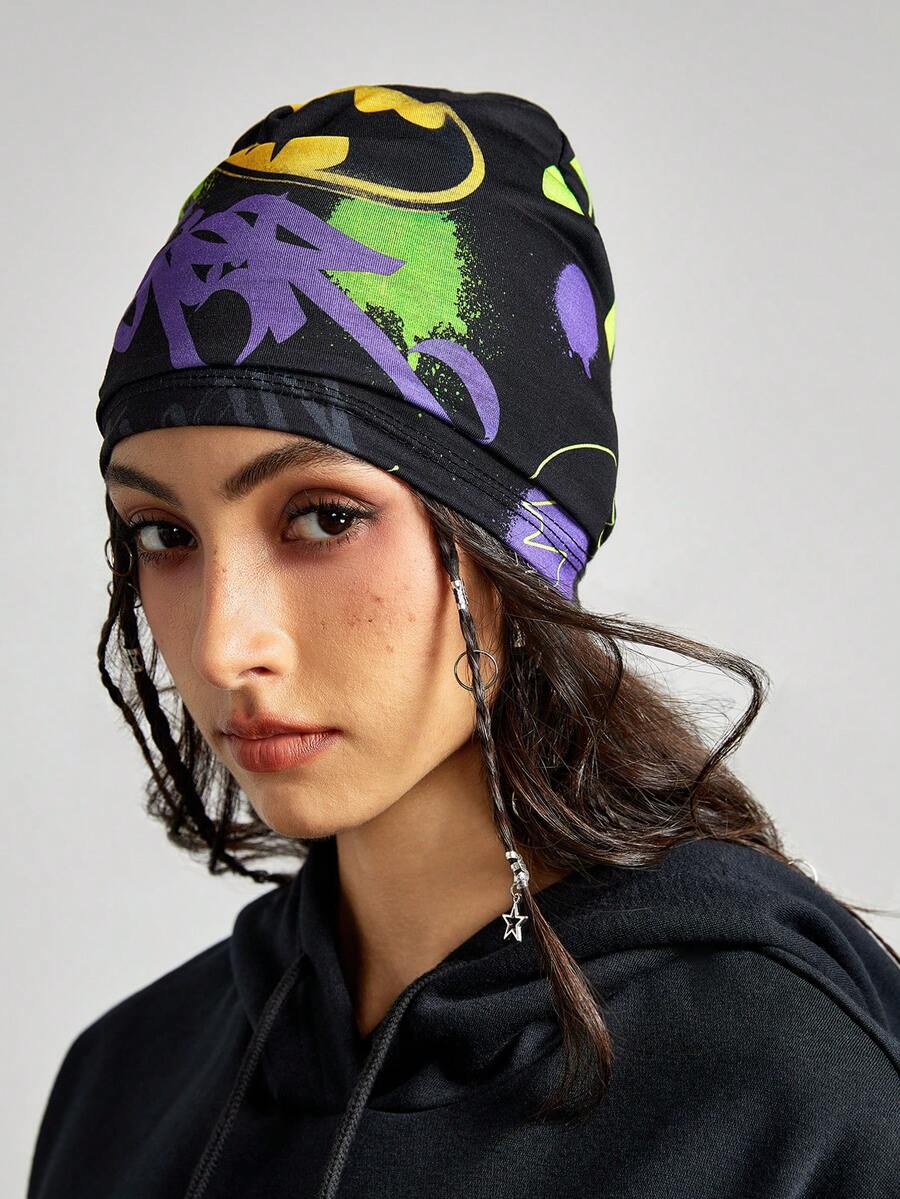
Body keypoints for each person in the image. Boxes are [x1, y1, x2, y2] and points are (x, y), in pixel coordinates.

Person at [26, 83, 900, 1199]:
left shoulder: (785, 1092)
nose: (223, 644)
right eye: (165, 533)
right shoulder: (127, 1083)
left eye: (323, 518)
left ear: (515, 546)